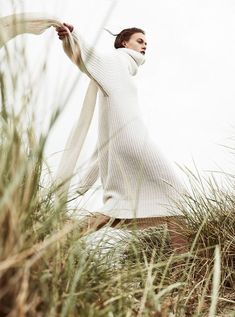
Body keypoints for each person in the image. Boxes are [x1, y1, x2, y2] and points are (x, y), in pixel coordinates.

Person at [56, 23, 189, 253]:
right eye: (139, 41)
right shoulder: (116, 61)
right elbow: (90, 59)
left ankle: (61, 237)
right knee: (177, 197)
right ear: (124, 43)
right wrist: (72, 36)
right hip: (134, 142)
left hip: (127, 142)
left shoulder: (124, 69)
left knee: (119, 208)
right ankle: (186, 269)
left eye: (146, 43)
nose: (144, 45)